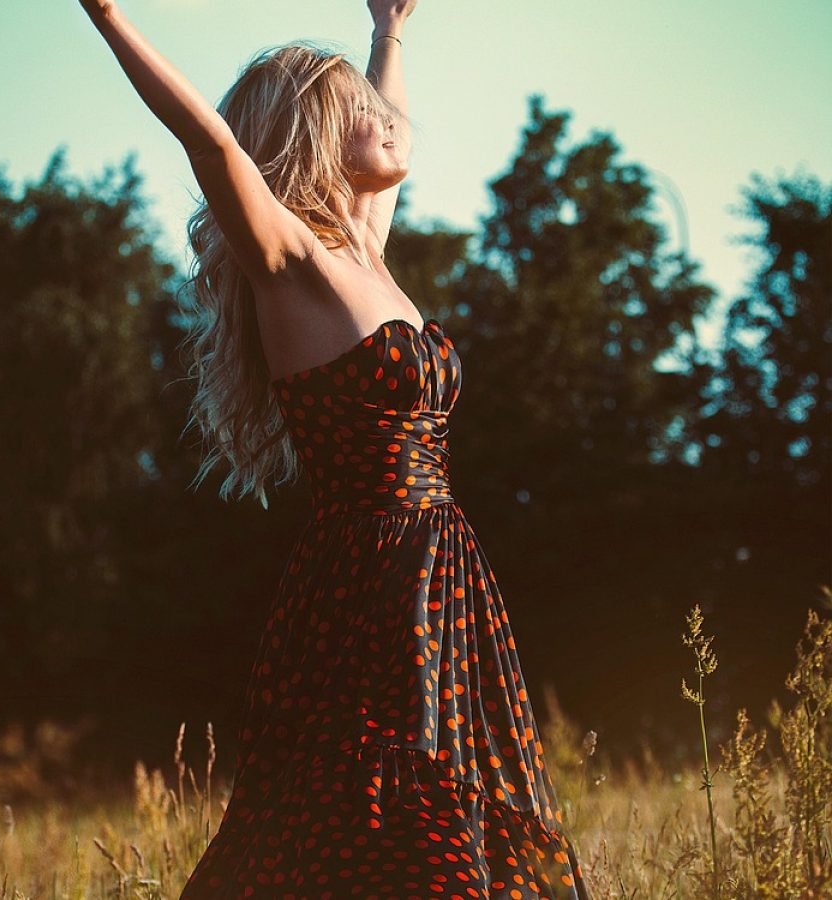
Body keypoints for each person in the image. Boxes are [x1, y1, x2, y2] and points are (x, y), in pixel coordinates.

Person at [77, 2, 592, 897]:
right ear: (313, 135)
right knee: (378, 825)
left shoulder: (367, 253)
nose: (388, 122)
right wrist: (110, 16)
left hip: (438, 577)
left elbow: (384, 132)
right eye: (359, 108)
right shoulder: (294, 264)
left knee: (438, 820)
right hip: (367, 584)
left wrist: (389, 26)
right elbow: (214, 147)